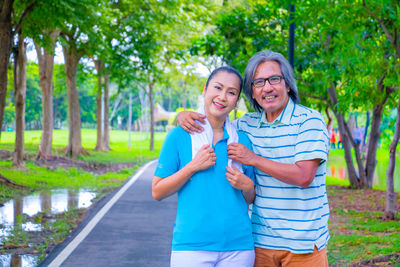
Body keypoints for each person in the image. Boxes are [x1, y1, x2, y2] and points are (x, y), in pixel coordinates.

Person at [177, 50, 330, 267]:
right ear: (252, 92)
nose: (267, 87)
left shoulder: (309, 121)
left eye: (274, 79)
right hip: (260, 242)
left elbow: (304, 176)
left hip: (302, 244)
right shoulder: (244, 125)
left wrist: (254, 159)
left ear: (287, 84)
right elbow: (214, 121)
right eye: (258, 82)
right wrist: (181, 116)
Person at [152, 66, 256, 267]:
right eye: (217, 88)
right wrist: (192, 167)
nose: (223, 97)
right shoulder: (179, 136)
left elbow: (250, 197)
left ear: (236, 102)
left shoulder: (242, 141)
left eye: (231, 92)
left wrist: (247, 185)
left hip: (238, 247)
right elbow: (158, 191)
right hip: (191, 247)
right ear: (205, 90)